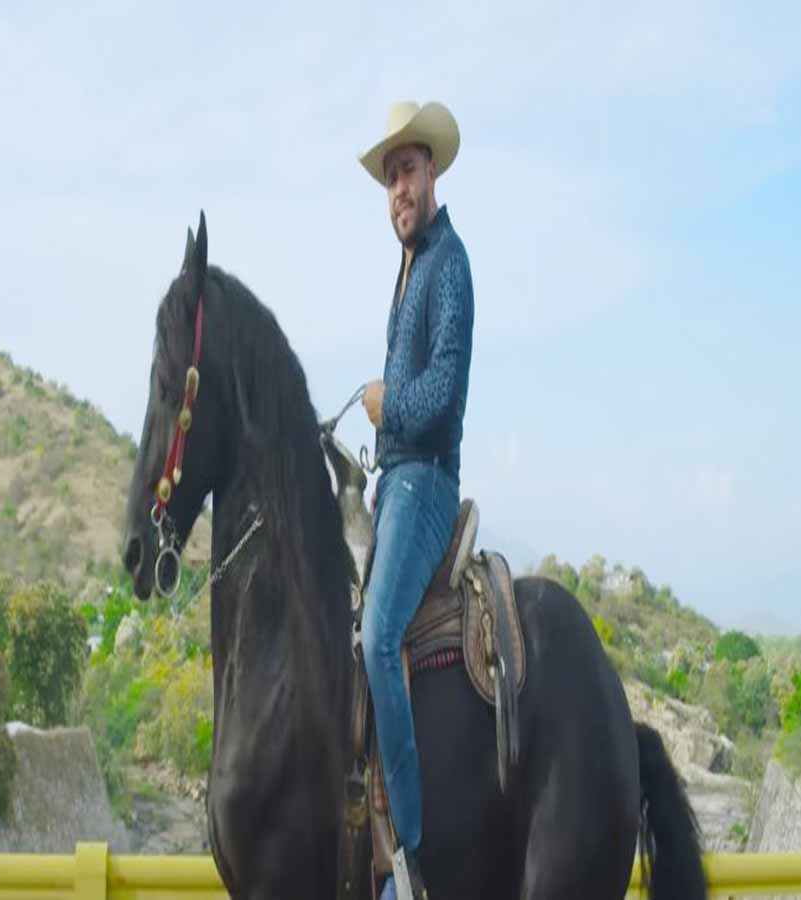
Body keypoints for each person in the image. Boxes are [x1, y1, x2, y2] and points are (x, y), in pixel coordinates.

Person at [358, 101, 474, 900]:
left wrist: (381, 402)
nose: (400, 186)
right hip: (390, 475)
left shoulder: (450, 263)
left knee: (375, 636)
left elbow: (439, 396)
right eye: (391, 174)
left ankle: (408, 853)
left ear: (432, 172)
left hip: (426, 479)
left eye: (409, 169)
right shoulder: (406, 270)